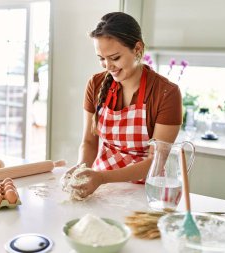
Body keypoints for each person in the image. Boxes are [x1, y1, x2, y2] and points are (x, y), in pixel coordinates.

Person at [66, 12, 182, 198]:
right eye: (101, 58)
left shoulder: (166, 93)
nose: (107, 66)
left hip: (146, 193)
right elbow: (89, 142)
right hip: (101, 190)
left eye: (115, 57)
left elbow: (156, 161)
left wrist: (102, 177)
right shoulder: (95, 85)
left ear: (137, 49)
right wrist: (82, 169)